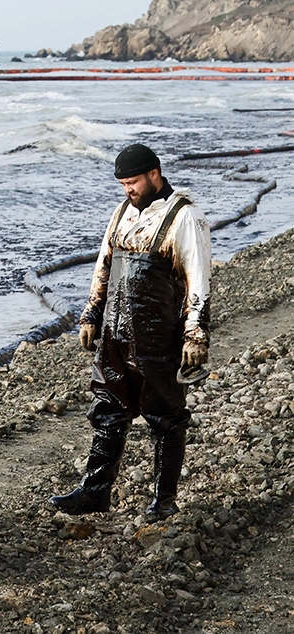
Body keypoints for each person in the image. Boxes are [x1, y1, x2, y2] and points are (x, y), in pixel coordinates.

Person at [51, 143, 211, 522]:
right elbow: (104, 263)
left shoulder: (185, 217)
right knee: (107, 408)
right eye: (123, 183)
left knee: (165, 417)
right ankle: (95, 491)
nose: (128, 190)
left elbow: (199, 280)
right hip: (114, 334)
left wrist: (195, 336)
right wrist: (91, 313)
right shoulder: (122, 212)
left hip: (159, 336)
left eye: (133, 182)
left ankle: (164, 501)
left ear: (155, 174)